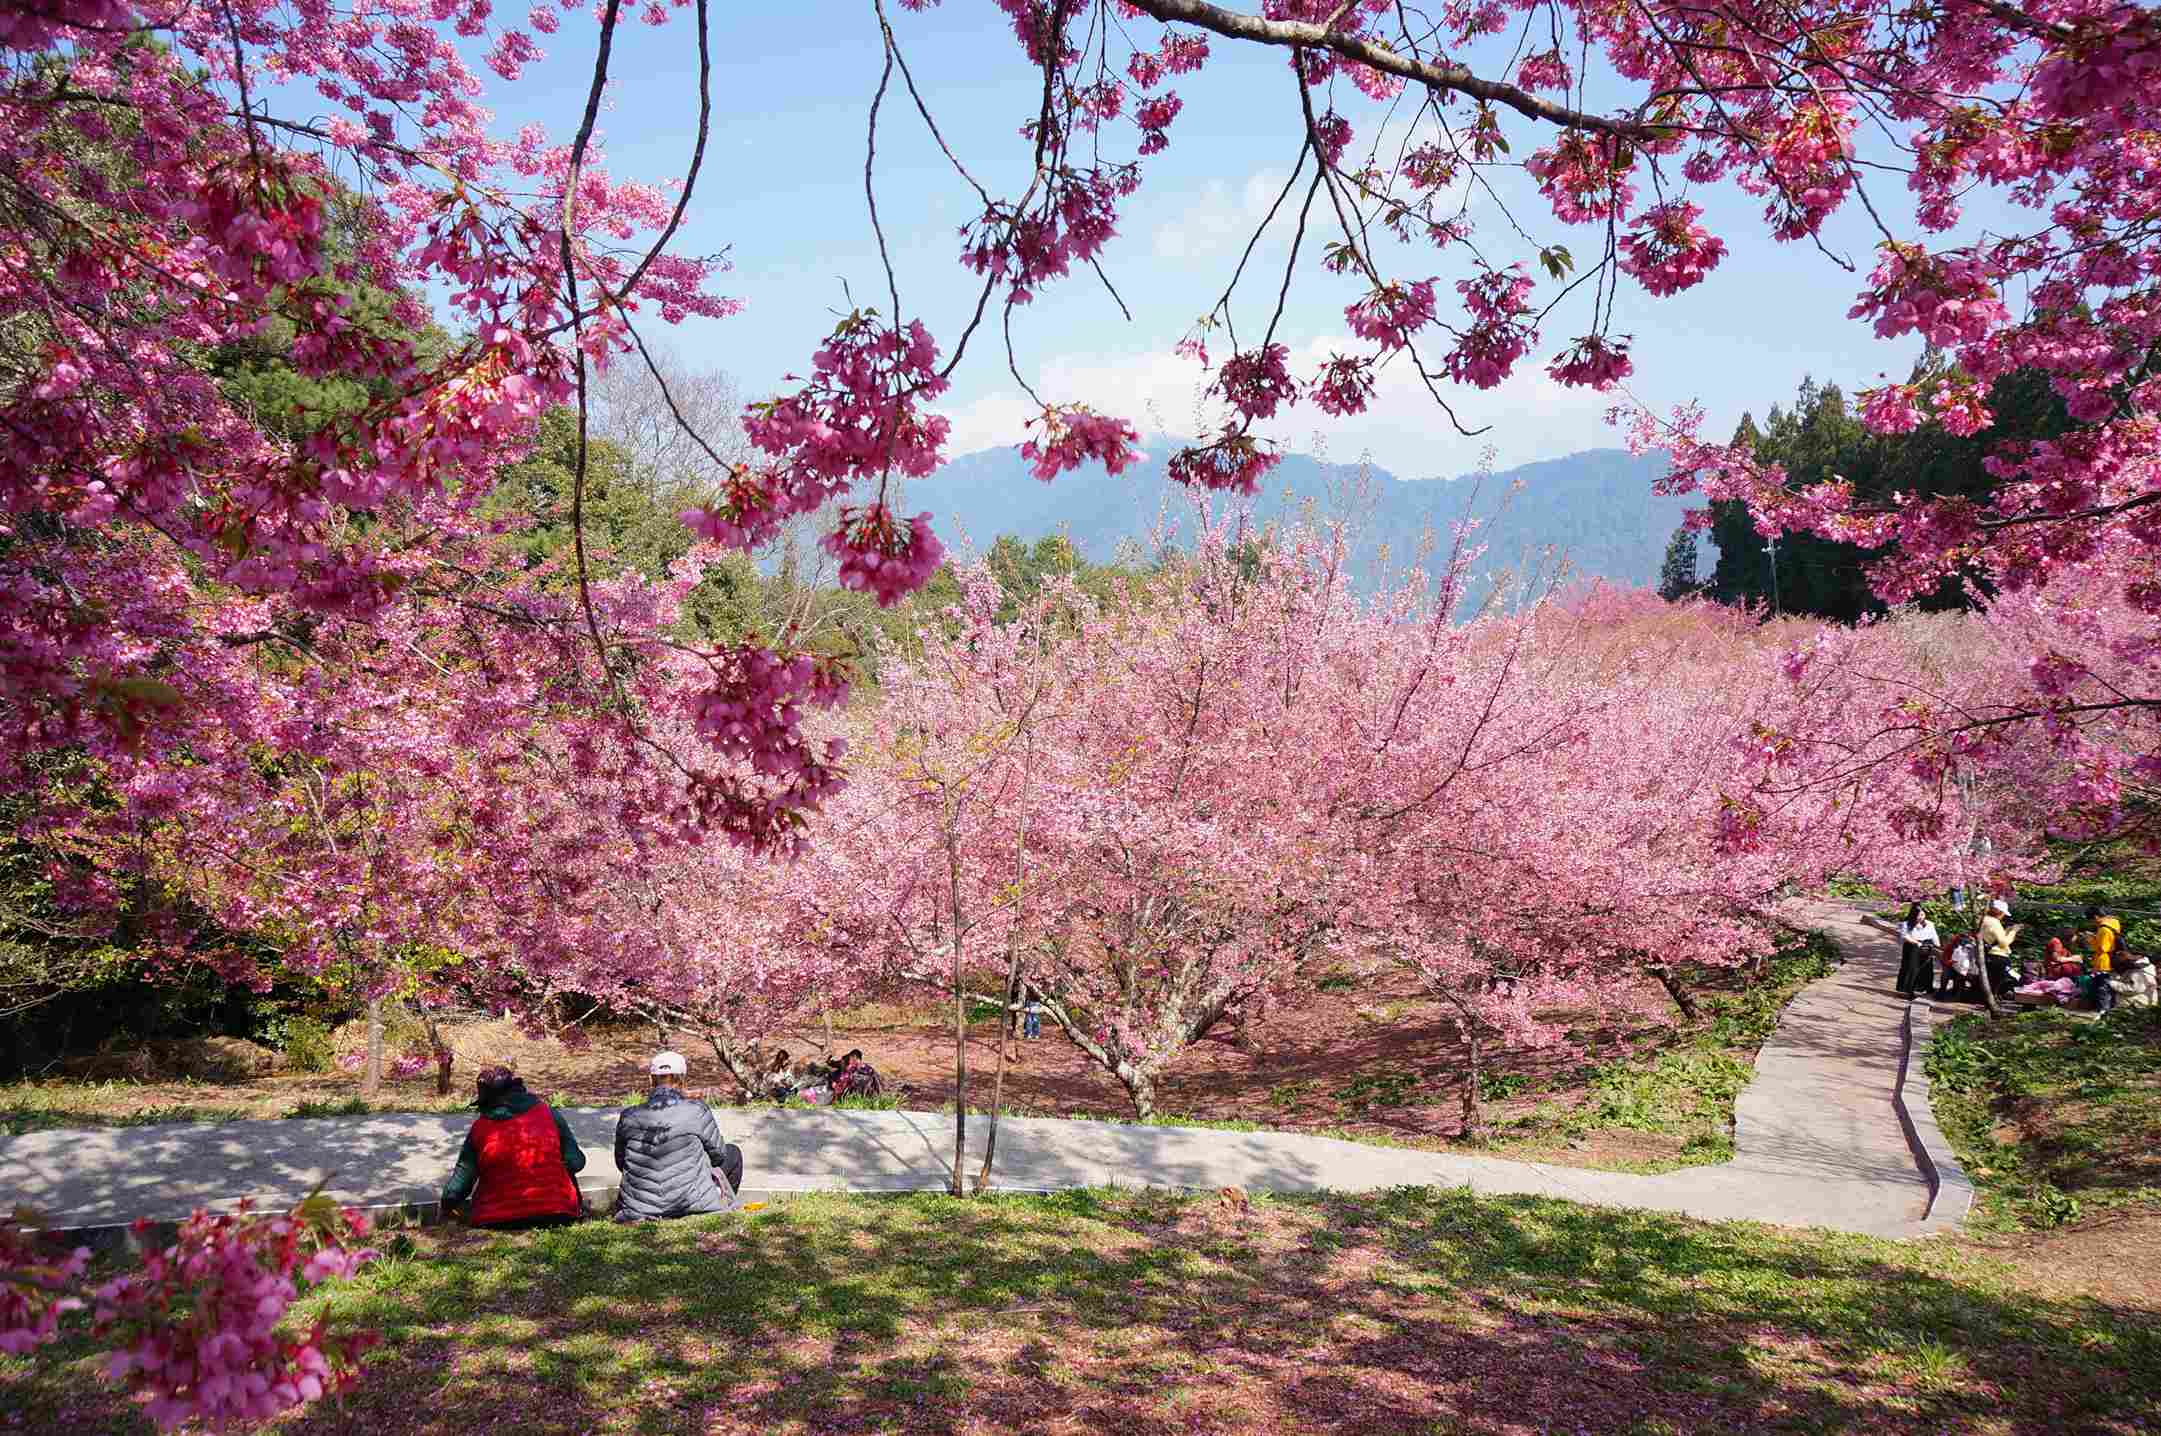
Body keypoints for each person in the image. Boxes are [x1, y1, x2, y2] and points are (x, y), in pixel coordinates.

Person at [439, 1066, 586, 1229]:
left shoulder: (480, 1128)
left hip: (495, 1219)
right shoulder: (548, 1113)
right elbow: (576, 1162)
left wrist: (446, 1205)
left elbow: (458, 1186)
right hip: (559, 1213)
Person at [612, 1051, 743, 1222]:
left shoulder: (629, 1116)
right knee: (732, 1152)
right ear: (682, 1080)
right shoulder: (696, 1110)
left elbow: (621, 1162)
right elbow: (719, 1155)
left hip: (640, 1207)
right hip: (692, 1201)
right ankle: (718, 1200)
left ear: (651, 1080)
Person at [1978, 898, 2022, 997]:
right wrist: (2013, 931)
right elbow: (2003, 943)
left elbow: (1994, 938)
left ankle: (1990, 998)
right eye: (2003, 914)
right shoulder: (1994, 922)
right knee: (2007, 979)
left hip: (1987, 954)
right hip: (1997, 956)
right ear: (2000, 912)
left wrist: (2006, 931)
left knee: (1991, 980)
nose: (2003, 916)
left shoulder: (1983, 919)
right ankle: (1994, 1000)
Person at [1895, 903, 1940, 999]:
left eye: (1923, 914)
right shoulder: (1906, 924)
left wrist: (1937, 945)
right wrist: (1916, 943)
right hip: (1912, 947)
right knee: (1911, 968)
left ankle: (1926, 988)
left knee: (1927, 968)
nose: (1921, 917)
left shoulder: (1929, 924)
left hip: (1926, 945)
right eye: (1919, 915)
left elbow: (1934, 935)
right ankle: (1908, 990)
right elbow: (1905, 936)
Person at [2080, 905, 2124, 975]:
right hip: (2113, 955)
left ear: (2096, 917)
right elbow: (2110, 939)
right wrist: (2095, 936)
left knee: (2101, 982)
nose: (2091, 923)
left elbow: (2102, 949)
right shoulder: (2113, 922)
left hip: (2104, 962)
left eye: (2090, 920)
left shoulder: (2103, 930)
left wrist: (2090, 939)